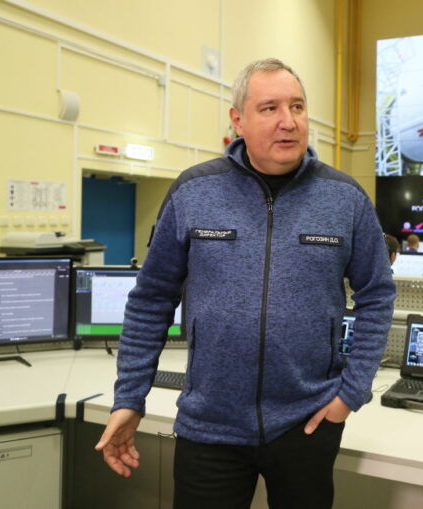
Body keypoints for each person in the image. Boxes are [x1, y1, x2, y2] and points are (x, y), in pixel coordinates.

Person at [94, 58, 396, 509]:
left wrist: (350, 394)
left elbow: (377, 295)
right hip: (209, 426)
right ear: (238, 120)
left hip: (307, 422)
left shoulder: (344, 198)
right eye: (269, 108)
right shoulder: (195, 191)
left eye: (297, 106)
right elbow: (151, 300)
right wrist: (129, 398)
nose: (288, 121)